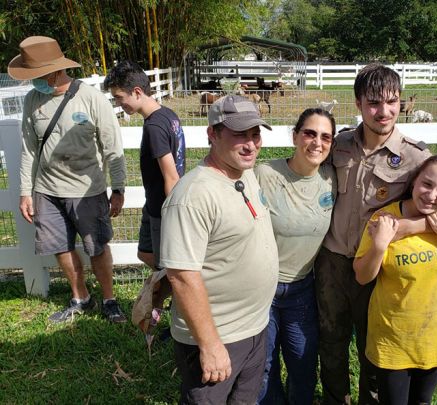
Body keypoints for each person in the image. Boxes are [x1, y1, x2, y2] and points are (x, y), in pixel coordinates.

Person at [314, 63, 437, 405]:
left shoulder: (416, 155)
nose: (383, 111)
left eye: (392, 101)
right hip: (333, 260)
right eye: (373, 102)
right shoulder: (339, 144)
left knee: (374, 346)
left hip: (380, 265)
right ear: (358, 104)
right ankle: (334, 399)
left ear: (401, 101)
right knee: (330, 340)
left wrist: (409, 227)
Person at [159, 95, 278, 404]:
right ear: (212, 134)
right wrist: (210, 346)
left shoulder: (246, 174)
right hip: (218, 336)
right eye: (239, 134)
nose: (251, 144)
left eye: (255, 134)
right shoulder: (193, 196)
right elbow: (183, 276)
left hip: (254, 328)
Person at [9, 36, 127, 323]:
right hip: (46, 190)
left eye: (35, 75)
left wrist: (119, 187)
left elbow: (113, 147)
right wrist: (26, 191)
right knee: (59, 246)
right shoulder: (32, 100)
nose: (32, 81)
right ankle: (81, 296)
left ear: (53, 71)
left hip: (87, 190)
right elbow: (28, 149)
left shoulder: (90, 97)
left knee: (96, 246)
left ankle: (109, 300)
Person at [353, 155, 437, 405]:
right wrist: (379, 245)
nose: (432, 195)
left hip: (434, 338)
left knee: (422, 401)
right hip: (392, 338)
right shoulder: (385, 219)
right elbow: (362, 277)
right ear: (413, 183)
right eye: (427, 184)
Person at [255, 108, 337, 405]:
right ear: (295, 136)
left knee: (303, 361)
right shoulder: (266, 174)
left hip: (302, 288)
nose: (317, 142)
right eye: (310, 133)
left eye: (325, 136)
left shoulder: (332, 179)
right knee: (263, 364)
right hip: (262, 288)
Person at [104, 61, 186, 327]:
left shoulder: (154, 127)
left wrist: (174, 216)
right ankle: (168, 305)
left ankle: (177, 318)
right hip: (153, 206)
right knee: (147, 255)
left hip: (164, 208)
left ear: (137, 92)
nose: (119, 104)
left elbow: (171, 175)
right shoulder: (167, 115)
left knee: (170, 270)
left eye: (120, 97)